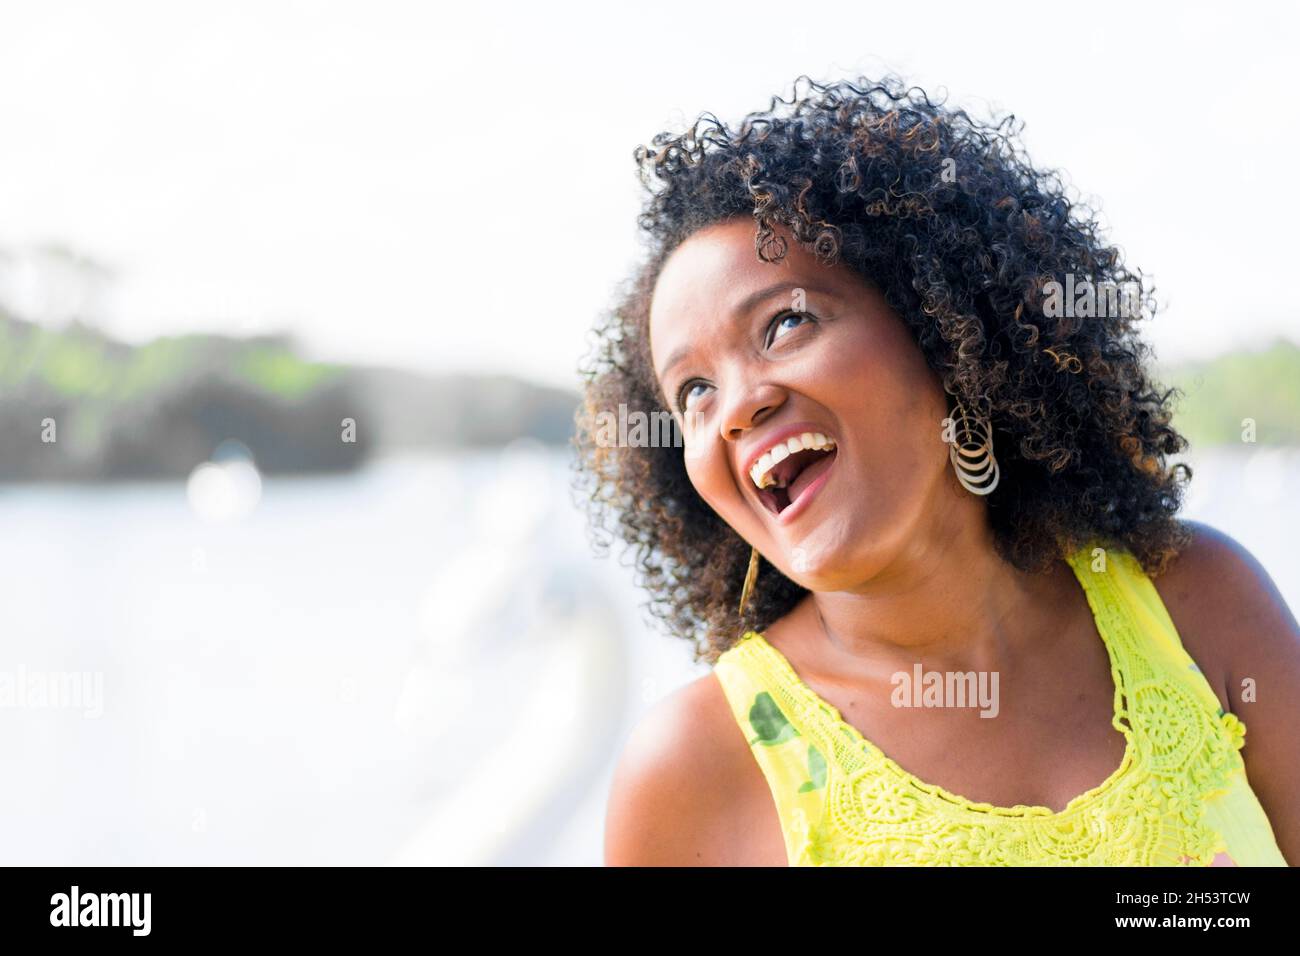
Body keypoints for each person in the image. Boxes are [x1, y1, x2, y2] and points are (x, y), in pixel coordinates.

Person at [577, 75, 1299, 866]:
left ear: (945, 333)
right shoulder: (693, 772)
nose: (739, 406)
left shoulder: (1201, 601)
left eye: (786, 323)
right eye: (694, 393)